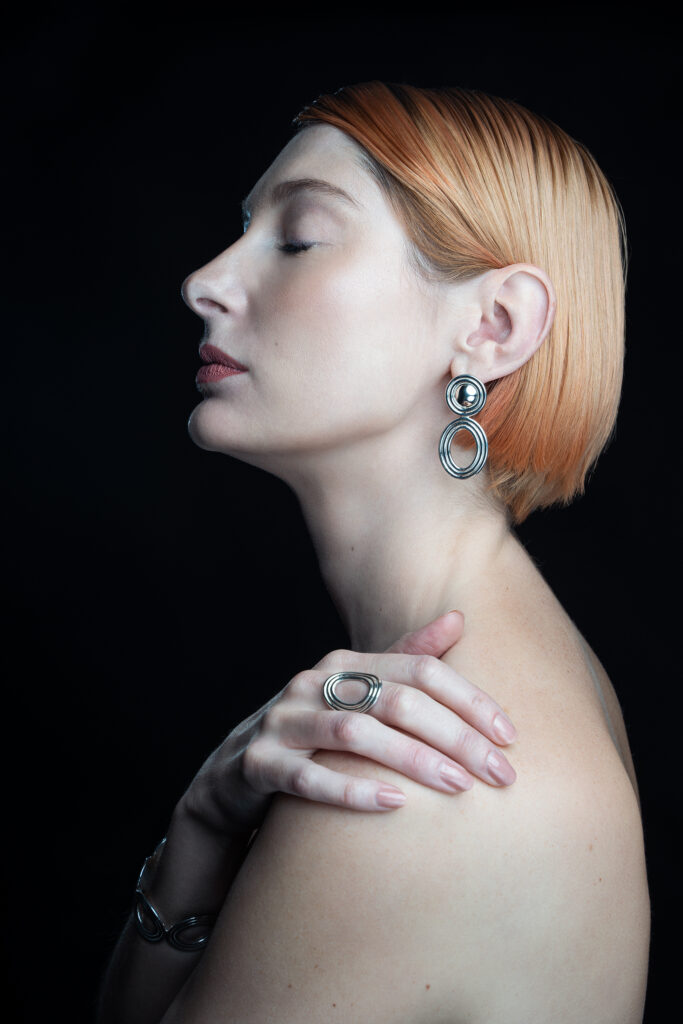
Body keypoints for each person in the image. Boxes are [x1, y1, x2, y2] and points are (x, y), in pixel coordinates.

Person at [97, 81, 650, 1023]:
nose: (204, 282)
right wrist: (202, 827)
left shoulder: (418, 767)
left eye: (299, 238)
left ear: (493, 326)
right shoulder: (503, 675)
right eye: (245, 229)